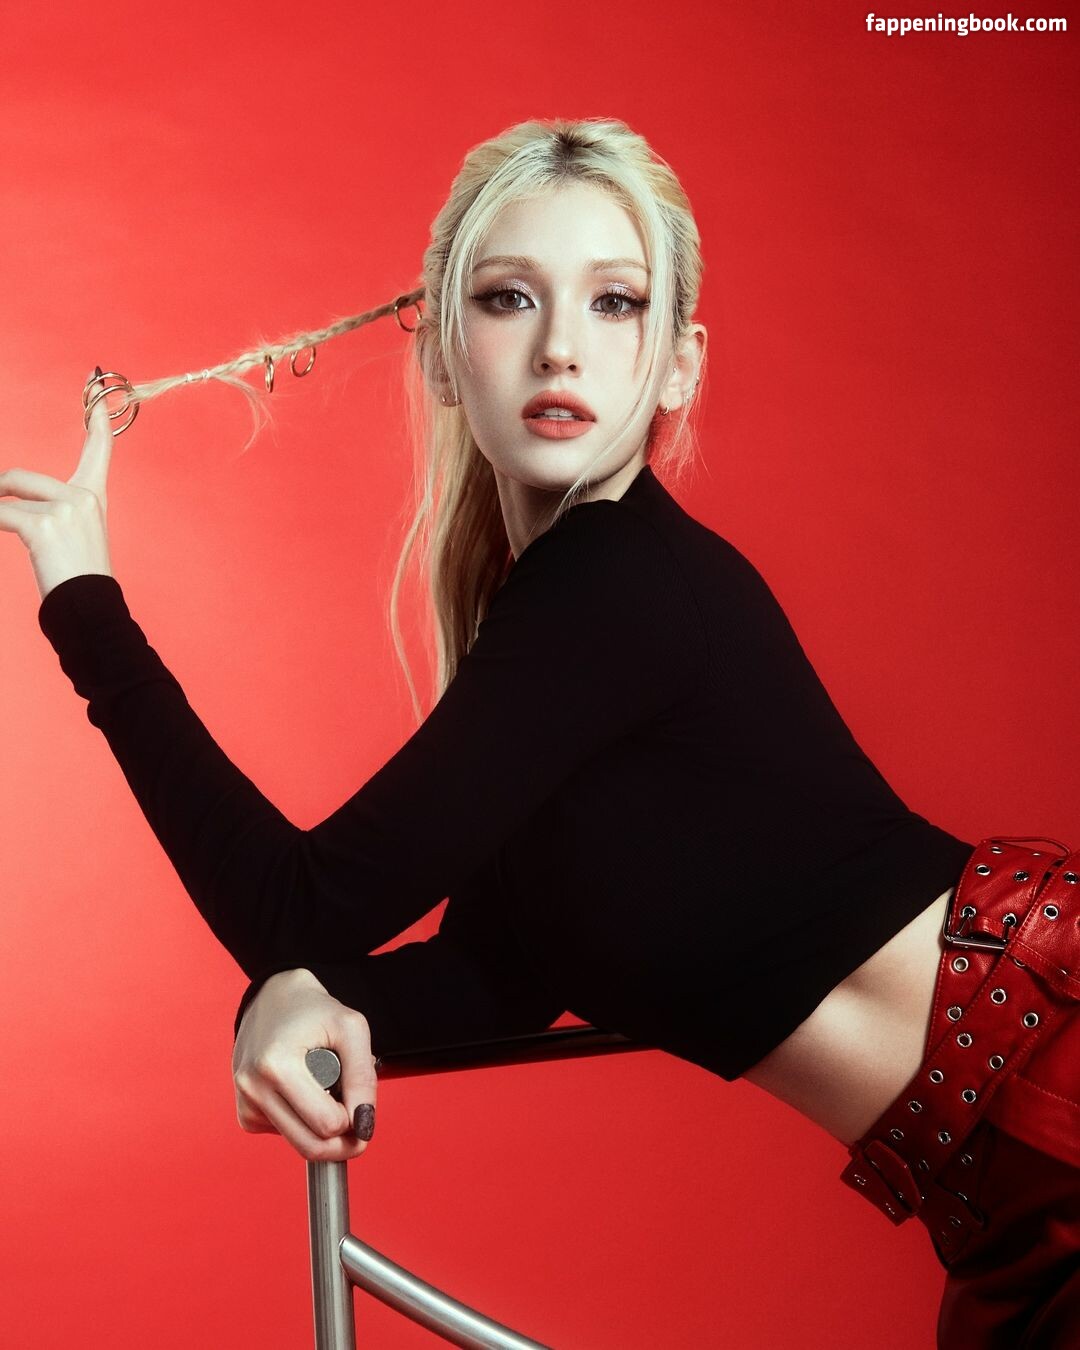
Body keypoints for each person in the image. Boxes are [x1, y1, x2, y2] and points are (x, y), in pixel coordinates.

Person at [2, 117, 1077, 1347]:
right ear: (441, 355)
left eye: (616, 303)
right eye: (509, 297)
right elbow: (494, 978)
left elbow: (295, 907)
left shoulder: (619, 581)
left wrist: (84, 603)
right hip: (1003, 1199)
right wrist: (290, 997)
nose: (561, 345)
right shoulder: (556, 653)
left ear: (677, 364)